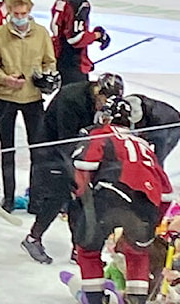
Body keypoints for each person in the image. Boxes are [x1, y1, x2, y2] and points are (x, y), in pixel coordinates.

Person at [70, 96, 172, 304]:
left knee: (88, 250)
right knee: (138, 251)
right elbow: (167, 194)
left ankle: (94, 299)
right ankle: (136, 299)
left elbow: (84, 166)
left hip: (109, 195)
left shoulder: (100, 134)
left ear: (105, 118)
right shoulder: (144, 145)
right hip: (147, 205)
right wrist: (150, 227)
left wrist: (82, 203)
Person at [23, 73, 124, 264]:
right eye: (104, 101)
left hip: (79, 149)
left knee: (81, 200)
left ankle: (78, 246)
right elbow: (66, 140)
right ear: (97, 92)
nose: (105, 106)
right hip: (53, 149)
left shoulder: (104, 105)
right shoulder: (71, 99)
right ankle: (32, 238)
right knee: (60, 194)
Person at [0, 0, 58, 211]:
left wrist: (46, 76)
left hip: (33, 98)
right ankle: (8, 198)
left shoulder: (41, 33)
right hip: (5, 98)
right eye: (16, 14)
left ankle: (36, 199)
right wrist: (5, 79)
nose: (20, 17)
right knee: (7, 149)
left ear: (29, 12)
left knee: (38, 150)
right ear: (9, 12)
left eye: (24, 13)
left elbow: (50, 61)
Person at [50, 0, 110, 84]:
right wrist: (97, 35)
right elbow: (75, 38)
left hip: (57, 56)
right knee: (76, 97)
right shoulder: (81, 4)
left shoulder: (62, 0)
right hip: (72, 62)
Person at [124, 93, 180, 166]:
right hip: (157, 123)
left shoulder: (156, 121)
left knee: (157, 160)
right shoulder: (129, 104)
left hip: (169, 127)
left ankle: (156, 175)